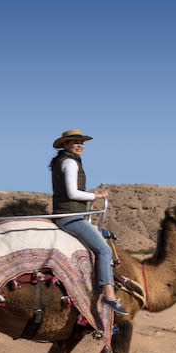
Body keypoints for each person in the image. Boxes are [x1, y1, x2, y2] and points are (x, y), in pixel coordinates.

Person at [49, 129, 127, 315]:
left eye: (81, 142)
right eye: (75, 142)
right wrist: (97, 195)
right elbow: (73, 193)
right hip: (70, 217)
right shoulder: (70, 162)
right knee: (104, 250)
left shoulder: (64, 161)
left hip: (66, 214)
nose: (79, 145)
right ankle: (108, 296)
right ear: (66, 145)